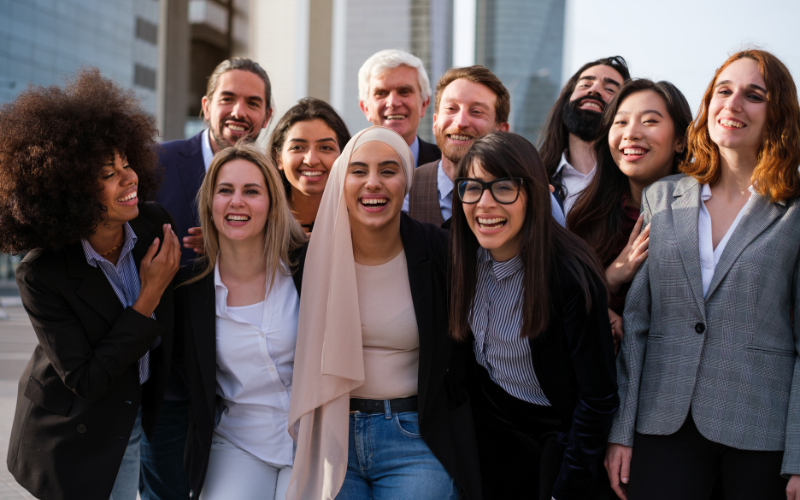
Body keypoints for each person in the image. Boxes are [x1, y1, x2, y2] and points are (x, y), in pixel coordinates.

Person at [605, 50, 800, 500]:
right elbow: (637, 325)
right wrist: (622, 431)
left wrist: (798, 456)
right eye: (723, 92)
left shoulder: (793, 211)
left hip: (759, 429)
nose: (732, 105)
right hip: (662, 421)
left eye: (753, 95)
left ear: (778, 113)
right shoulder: (664, 196)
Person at [0, 69, 181, 500]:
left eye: (126, 163)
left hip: (135, 413)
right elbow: (87, 379)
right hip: (71, 433)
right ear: (70, 190)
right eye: (107, 174)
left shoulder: (154, 223)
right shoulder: (41, 273)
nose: (129, 177)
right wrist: (148, 295)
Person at [287, 127, 481, 500]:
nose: (372, 183)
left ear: (406, 182)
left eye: (388, 171)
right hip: (331, 431)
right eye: (358, 171)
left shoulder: (440, 251)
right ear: (342, 181)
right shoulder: (306, 260)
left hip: (414, 437)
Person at [449, 132, 618, 500]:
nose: (485, 204)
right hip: (490, 430)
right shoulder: (460, 256)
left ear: (534, 194)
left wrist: (568, 485)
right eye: (472, 187)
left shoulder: (568, 274)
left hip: (554, 437)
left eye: (504, 187)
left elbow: (598, 397)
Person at [144, 57, 274, 500]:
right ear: (206, 105)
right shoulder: (156, 165)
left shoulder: (275, 178)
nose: (240, 111)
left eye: (253, 102)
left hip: (245, 388)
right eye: (228, 99)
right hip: (172, 383)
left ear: (267, 116)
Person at [178, 144, 307, 499]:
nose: (237, 201)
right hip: (239, 443)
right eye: (225, 191)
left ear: (272, 204)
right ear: (210, 203)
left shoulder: (306, 268)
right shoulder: (189, 290)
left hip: (316, 441)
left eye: (251, 191)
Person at [567, 79, 691, 340]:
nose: (631, 133)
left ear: (680, 141)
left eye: (649, 121)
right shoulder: (586, 217)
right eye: (621, 122)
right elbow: (559, 308)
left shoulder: (703, 216)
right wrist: (611, 277)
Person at [404, 65, 565, 227]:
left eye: (476, 111)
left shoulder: (530, 192)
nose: (460, 123)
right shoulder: (405, 190)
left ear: (501, 130)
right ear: (435, 122)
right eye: (451, 109)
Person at [538, 56, 631, 215]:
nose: (594, 89)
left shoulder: (632, 187)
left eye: (609, 89)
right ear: (567, 99)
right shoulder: (536, 179)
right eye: (584, 84)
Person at [267, 97, 351, 233]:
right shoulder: (258, 222)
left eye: (325, 147)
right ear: (278, 158)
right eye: (298, 147)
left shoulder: (360, 223)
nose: (311, 160)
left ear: (344, 156)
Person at [358, 49, 440, 167]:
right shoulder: (345, 168)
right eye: (381, 93)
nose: (393, 102)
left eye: (404, 92)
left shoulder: (451, 166)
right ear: (366, 108)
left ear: (424, 104)